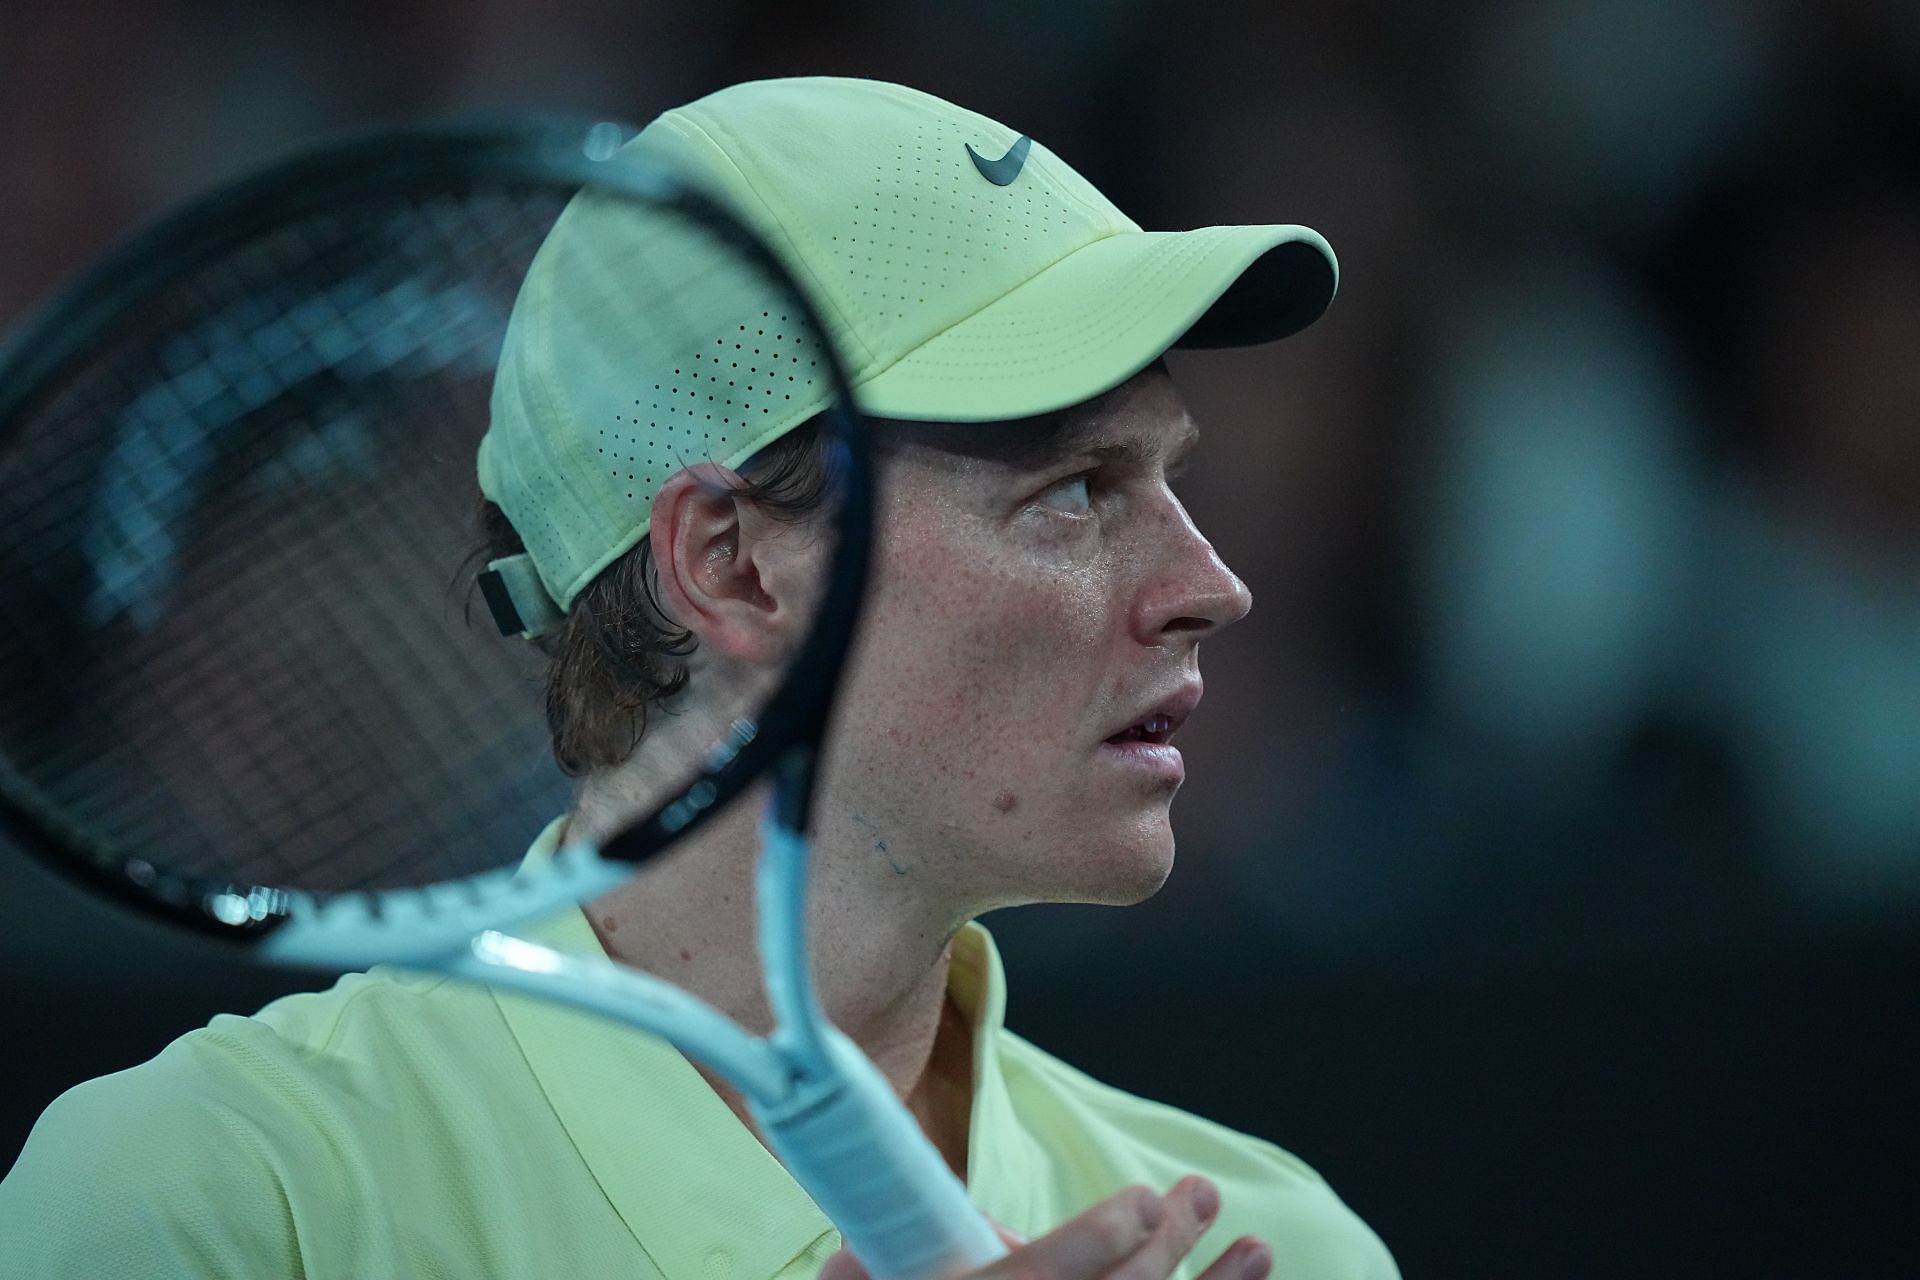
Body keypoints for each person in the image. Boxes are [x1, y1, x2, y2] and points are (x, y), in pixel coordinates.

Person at [0, 77, 1397, 1279]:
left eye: (1170, 478)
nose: (1212, 586)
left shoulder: (1280, 1247)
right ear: (727, 565)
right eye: (1077, 491)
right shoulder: (216, 1201)